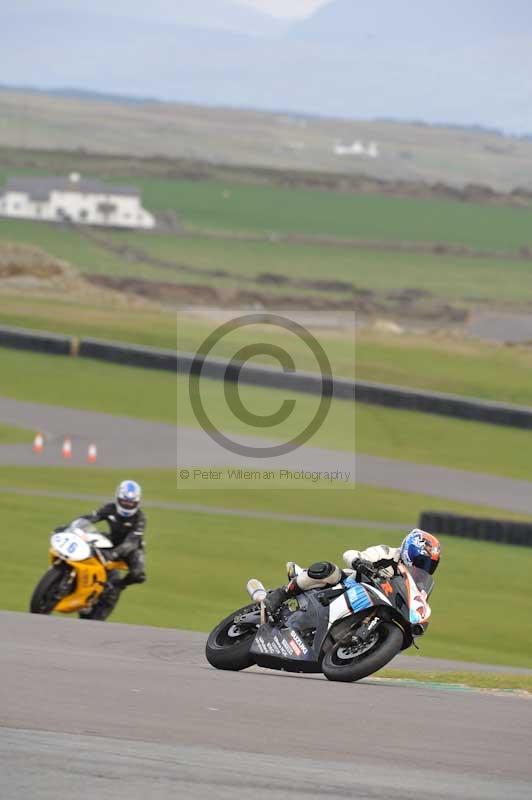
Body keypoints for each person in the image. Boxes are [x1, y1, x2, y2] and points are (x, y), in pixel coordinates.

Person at [263, 529, 441, 619]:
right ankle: (280, 594)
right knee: (328, 570)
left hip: (373, 607)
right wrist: (360, 562)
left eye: (429, 564)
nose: (424, 567)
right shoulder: (387, 553)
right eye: (422, 561)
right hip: (349, 586)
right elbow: (350, 554)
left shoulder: (415, 584)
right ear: (409, 550)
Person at [68, 480, 146, 620]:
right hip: (111, 540)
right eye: (124, 501)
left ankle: (117, 587)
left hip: (132, 549)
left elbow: (131, 542)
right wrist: (72, 526)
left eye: (131, 503)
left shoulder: (140, 518)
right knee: (87, 542)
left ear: (138, 502)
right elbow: (91, 517)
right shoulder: (110, 508)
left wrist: (114, 554)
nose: (128, 505)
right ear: (117, 498)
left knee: (138, 574)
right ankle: (75, 575)